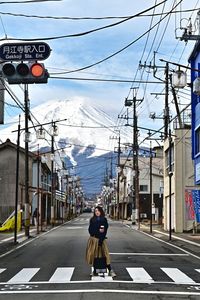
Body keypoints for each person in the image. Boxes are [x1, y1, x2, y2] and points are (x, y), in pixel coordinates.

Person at [86, 206, 116, 277]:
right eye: (95, 211)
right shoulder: (92, 219)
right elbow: (90, 230)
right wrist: (97, 231)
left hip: (101, 240)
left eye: (98, 211)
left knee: (105, 255)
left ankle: (110, 270)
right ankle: (95, 271)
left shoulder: (104, 220)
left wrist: (101, 240)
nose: (97, 212)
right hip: (93, 240)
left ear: (101, 211)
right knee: (94, 255)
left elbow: (103, 231)